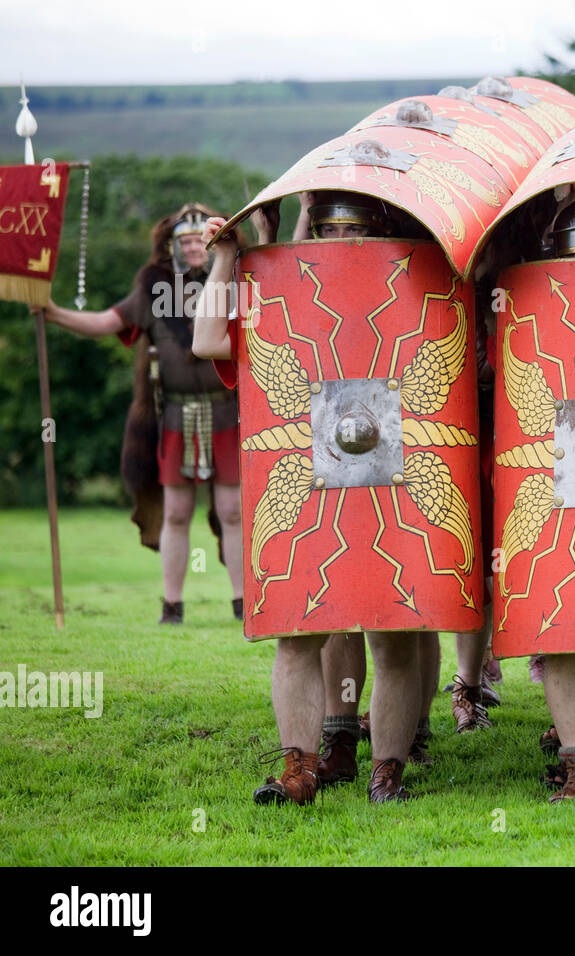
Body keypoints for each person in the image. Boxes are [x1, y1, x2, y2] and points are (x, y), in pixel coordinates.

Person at [194, 192, 444, 804]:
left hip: (397, 472)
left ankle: (387, 772)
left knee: (394, 633)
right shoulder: (284, 303)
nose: (345, 243)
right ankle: (299, 771)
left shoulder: (421, 286)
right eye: (334, 229)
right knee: (297, 630)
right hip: (310, 473)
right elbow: (206, 340)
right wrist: (230, 260)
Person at [35, 203, 244, 624]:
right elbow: (104, 322)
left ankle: (243, 603)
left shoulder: (236, 279)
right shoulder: (153, 287)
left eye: (200, 238)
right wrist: (52, 312)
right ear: (172, 247)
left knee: (234, 511)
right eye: (184, 240)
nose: (193, 246)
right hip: (173, 415)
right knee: (175, 512)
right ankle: (172, 605)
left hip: (228, 413)